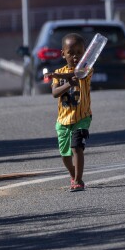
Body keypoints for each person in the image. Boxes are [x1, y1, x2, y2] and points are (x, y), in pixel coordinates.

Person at [45, 33, 93, 192]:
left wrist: (60, 75)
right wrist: (66, 83)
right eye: (71, 53)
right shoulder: (58, 72)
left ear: (85, 53)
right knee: (65, 156)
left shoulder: (86, 70)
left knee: (77, 148)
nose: (75, 57)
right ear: (63, 53)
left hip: (82, 117)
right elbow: (55, 93)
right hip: (63, 120)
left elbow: (78, 74)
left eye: (79, 53)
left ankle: (78, 180)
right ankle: (73, 175)